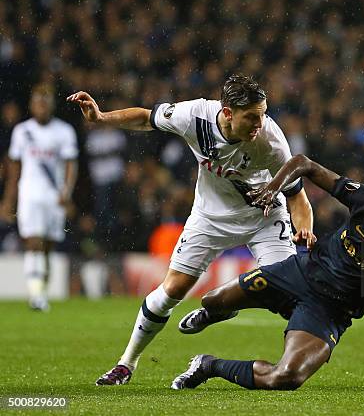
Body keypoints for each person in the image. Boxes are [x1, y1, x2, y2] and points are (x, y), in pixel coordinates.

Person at [67, 75, 315, 386]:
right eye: (251, 116)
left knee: (286, 289)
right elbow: (146, 118)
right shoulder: (193, 116)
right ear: (227, 113)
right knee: (169, 294)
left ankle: (220, 308)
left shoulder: (272, 141)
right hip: (209, 216)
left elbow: (298, 197)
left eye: (263, 113)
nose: (259, 122)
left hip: (263, 218)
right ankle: (126, 364)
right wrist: (102, 118)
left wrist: (304, 232)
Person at [172, 154, 364, 394]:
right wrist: (273, 187)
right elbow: (303, 164)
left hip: (331, 310)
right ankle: (220, 311)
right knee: (212, 300)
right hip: (301, 272)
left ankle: (208, 365)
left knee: (286, 377)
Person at [1, 83, 79, 311]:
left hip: (54, 198)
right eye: (38, 101)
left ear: (51, 105)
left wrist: (66, 193)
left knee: (47, 247)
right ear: (32, 105)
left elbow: (70, 165)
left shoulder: (64, 131)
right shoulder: (22, 131)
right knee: (33, 242)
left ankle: (40, 291)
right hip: (29, 195)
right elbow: (15, 169)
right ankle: (36, 296)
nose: (42, 106)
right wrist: (8, 199)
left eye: (45, 102)